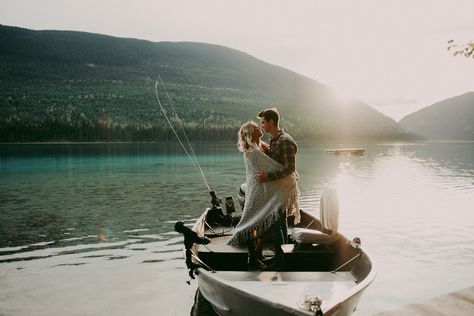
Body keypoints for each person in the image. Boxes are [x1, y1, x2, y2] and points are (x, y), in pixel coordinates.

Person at [228, 121, 299, 270]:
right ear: (249, 133)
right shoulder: (252, 152)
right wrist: (288, 175)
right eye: (255, 127)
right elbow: (269, 168)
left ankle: (280, 260)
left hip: (272, 191)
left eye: (260, 124)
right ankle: (264, 258)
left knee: (280, 223)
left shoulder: (262, 146)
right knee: (270, 224)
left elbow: (274, 165)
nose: (259, 127)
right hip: (260, 192)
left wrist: (287, 174)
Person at [256, 107, 299, 270]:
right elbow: (275, 161)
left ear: (271, 122)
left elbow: (290, 168)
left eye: (263, 122)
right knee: (280, 223)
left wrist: (268, 177)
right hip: (278, 188)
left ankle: (280, 263)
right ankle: (282, 260)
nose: (261, 125)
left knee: (276, 224)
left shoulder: (285, 140)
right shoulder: (274, 140)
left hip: (283, 188)